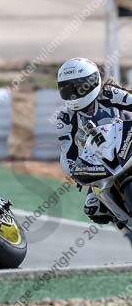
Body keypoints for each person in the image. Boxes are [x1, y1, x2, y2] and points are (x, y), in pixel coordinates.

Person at [56, 57, 132, 224]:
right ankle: (123, 220)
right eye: (69, 89)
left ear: (93, 81)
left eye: (79, 86)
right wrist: (76, 172)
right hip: (99, 161)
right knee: (94, 209)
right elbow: (67, 152)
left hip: (127, 142)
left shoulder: (110, 93)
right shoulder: (65, 118)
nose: (74, 93)